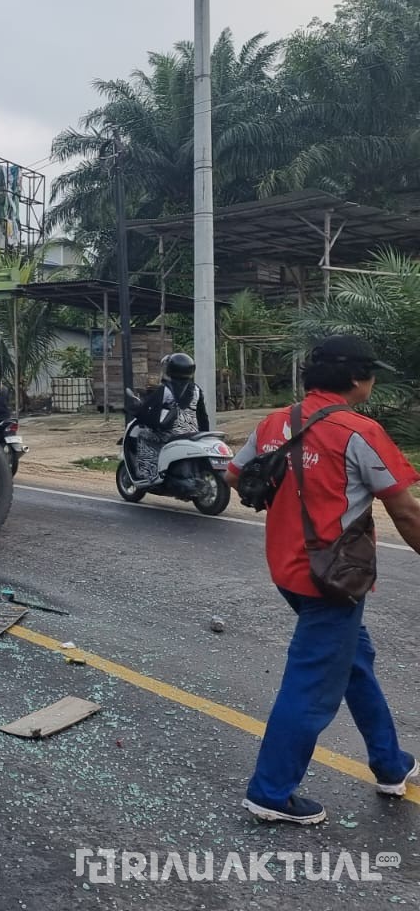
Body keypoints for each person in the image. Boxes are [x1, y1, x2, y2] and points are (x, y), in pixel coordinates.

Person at [226, 335, 420, 824]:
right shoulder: (359, 431)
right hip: (333, 578)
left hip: (289, 572)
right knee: (312, 686)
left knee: (354, 659)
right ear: (357, 380)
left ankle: (390, 763)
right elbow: (406, 512)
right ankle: (270, 792)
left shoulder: (276, 421)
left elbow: (234, 476)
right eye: (371, 374)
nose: (372, 381)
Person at [134, 352, 210, 483]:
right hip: (192, 434)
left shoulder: (165, 390)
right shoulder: (196, 390)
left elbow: (148, 409)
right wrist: (204, 434)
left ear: (170, 370)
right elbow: (203, 416)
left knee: (143, 435)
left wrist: (136, 411)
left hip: (171, 435)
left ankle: (148, 473)